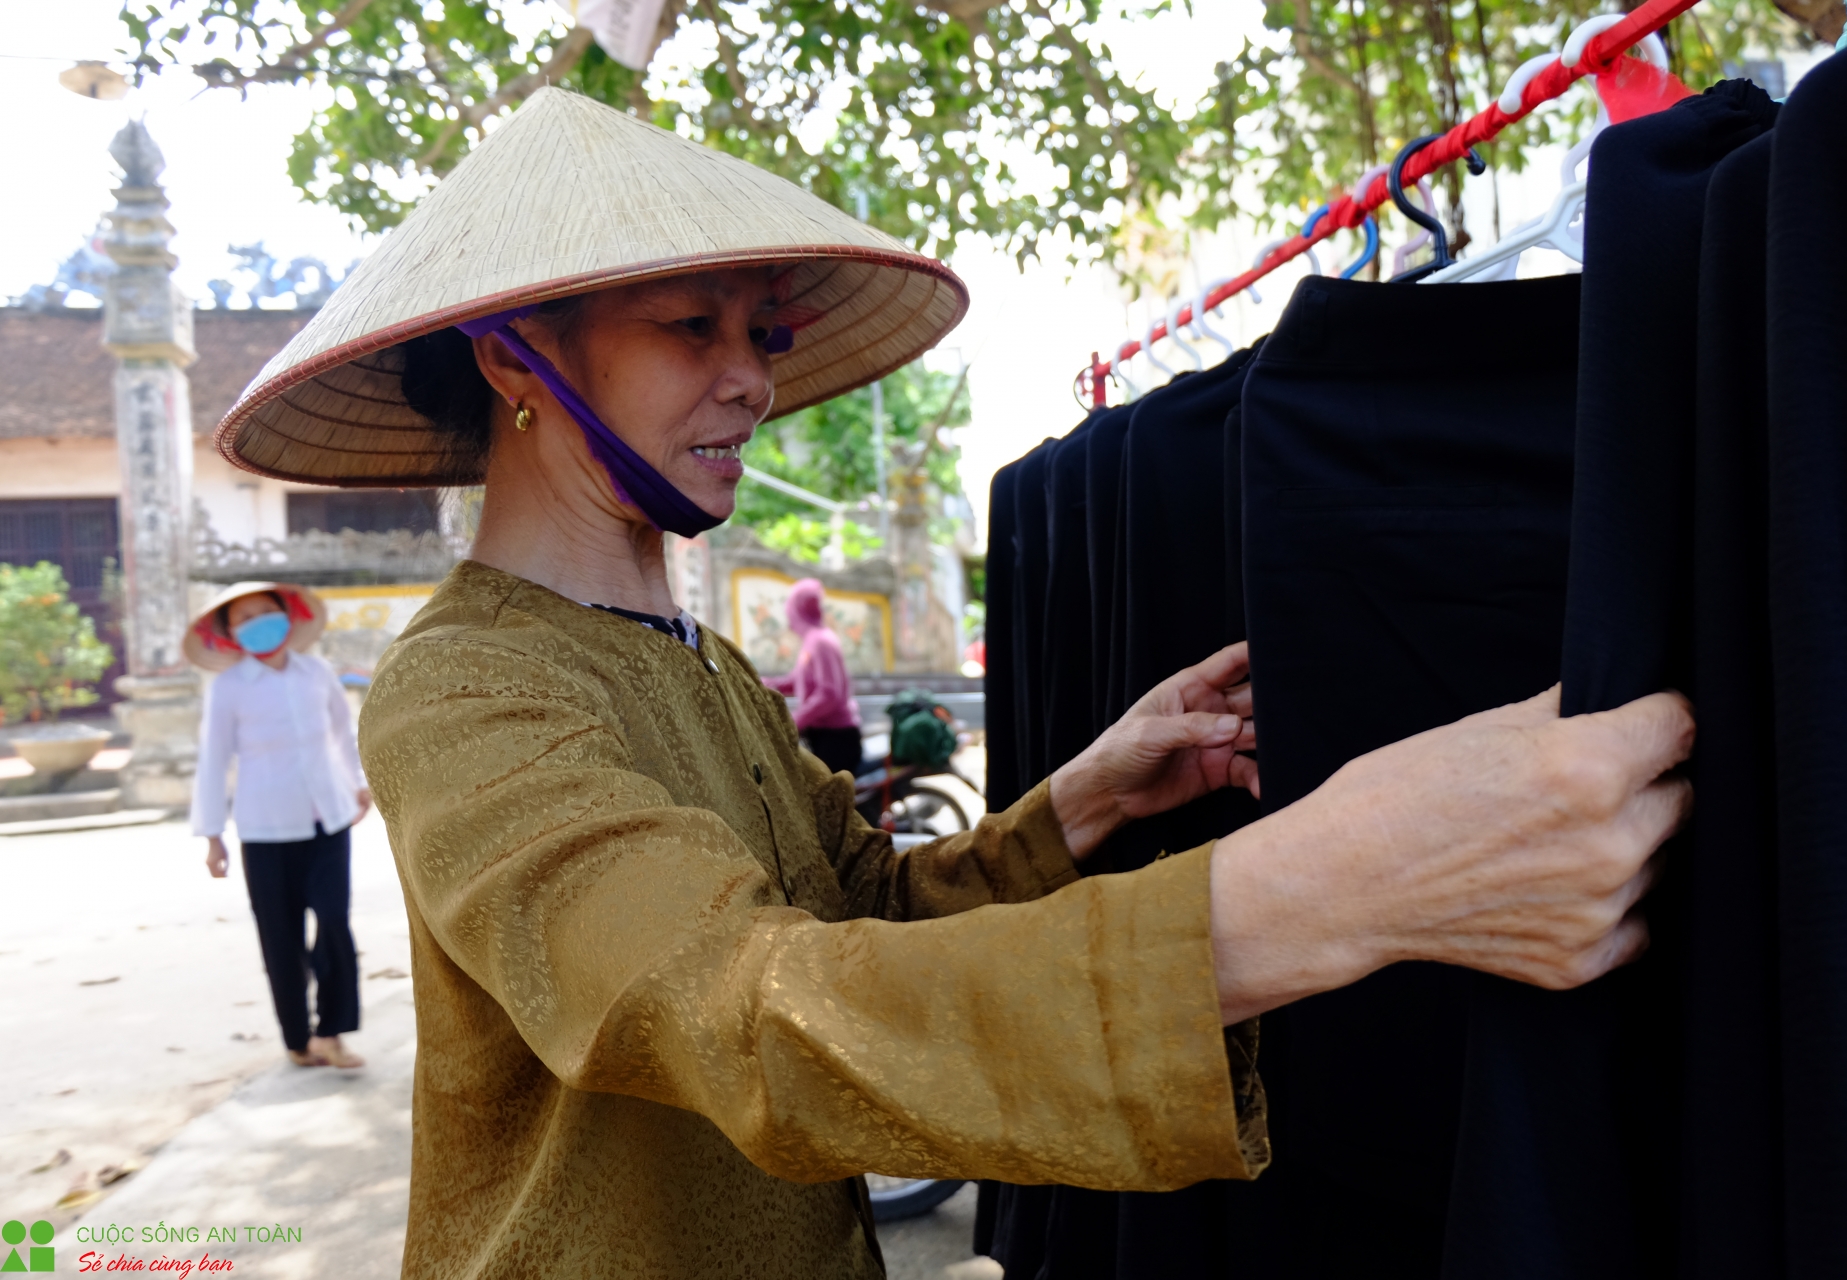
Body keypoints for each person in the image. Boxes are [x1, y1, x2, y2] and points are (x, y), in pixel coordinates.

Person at [212, 88, 1692, 1279]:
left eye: (762, 334)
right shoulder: (463, 691)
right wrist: (1338, 889)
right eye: (692, 329)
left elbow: (864, 918)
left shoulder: (704, 665)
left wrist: (1078, 799)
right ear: (518, 359)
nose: (752, 379)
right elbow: (744, 1012)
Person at [186, 582, 372, 1070]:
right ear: (229, 634)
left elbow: (341, 731)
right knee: (280, 937)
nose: (257, 622)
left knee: (334, 922)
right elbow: (213, 760)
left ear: (288, 615)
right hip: (265, 828)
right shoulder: (228, 689)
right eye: (243, 617)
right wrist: (211, 836)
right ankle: (298, 1039)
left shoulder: (317, 672)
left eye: (265, 611)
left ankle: (333, 1032)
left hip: (328, 819)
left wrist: (358, 782)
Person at [761, 578, 864, 776]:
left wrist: (796, 720)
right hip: (823, 734)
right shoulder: (813, 640)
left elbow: (829, 693)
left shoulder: (820, 642)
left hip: (836, 738)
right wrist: (765, 683)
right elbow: (799, 680)